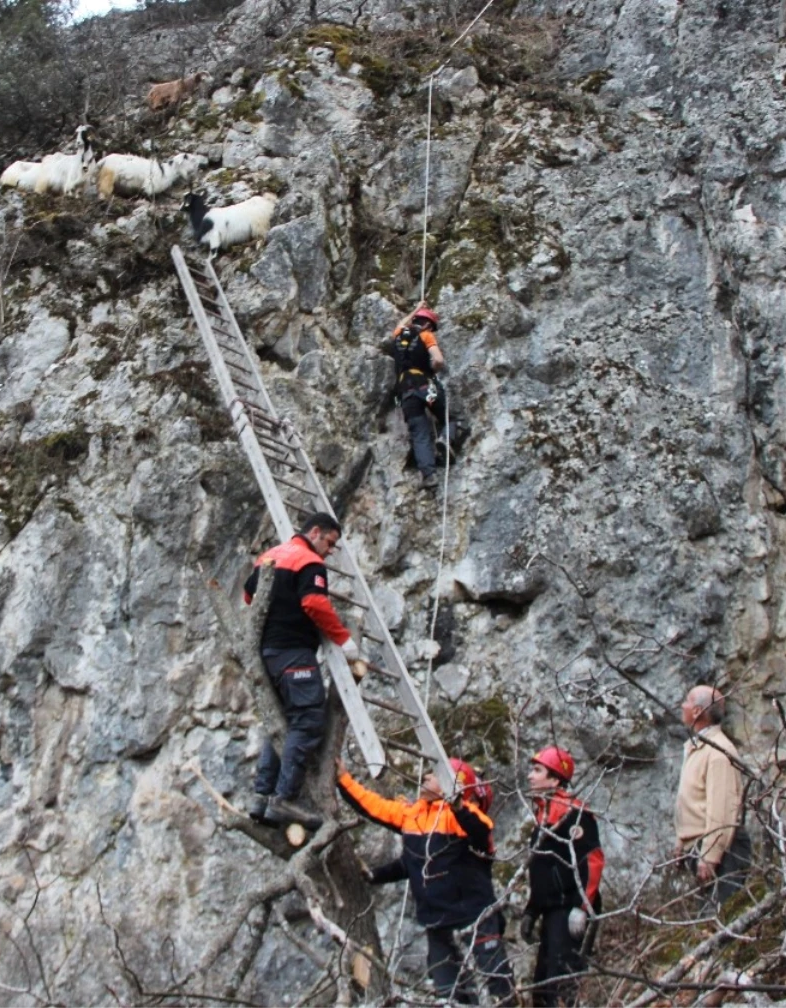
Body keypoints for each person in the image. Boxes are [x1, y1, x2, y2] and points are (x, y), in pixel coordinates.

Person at [337, 756, 515, 1006]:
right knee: (448, 996)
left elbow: (481, 832)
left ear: (451, 784)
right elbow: (375, 808)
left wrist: (457, 804)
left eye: (433, 775)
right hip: (437, 924)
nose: (425, 777)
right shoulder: (413, 815)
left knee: (497, 988)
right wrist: (343, 779)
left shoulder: (464, 817)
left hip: (476, 920)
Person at [242, 513, 361, 827]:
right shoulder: (308, 561)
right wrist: (343, 638)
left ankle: (262, 797)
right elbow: (315, 603)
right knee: (308, 720)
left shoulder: (269, 557)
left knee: (281, 722)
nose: (330, 551)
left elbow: (247, 595)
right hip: (294, 653)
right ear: (316, 532)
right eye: (330, 543)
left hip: (267, 654)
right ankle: (284, 799)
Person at [523, 745, 603, 1008]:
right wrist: (531, 912)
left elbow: (592, 862)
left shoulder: (573, 814)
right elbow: (540, 872)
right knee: (542, 989)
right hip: (551, 911)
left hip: (569, 910)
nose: (530, 776)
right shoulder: (543, 816)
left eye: (537, 770)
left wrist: (582, 907)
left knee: (561, 987)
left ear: (555, 779)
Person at [675, 685, 751, 906]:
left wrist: (710, 855)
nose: (682, 705)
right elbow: (692, 801)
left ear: (698, 711)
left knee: (721, 919)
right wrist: (681, 843)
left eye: (687, 701)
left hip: (723, 853)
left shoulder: (718, 752)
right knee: (707, 920)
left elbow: (722, 809)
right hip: (701, 847)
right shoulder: (698, 748)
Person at [382, 300, 460, 490]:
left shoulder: (400, 335)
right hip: (426, 387)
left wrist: (416, 308)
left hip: (406, 393)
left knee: (420, 434)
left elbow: (401, 323)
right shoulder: (426, 335)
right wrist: (433, 367)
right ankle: (445, 439)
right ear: (427, 325)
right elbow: (439, 360)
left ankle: (429, 476)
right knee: (449, 418)